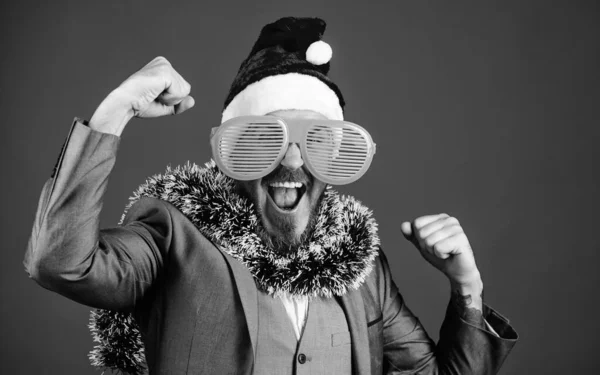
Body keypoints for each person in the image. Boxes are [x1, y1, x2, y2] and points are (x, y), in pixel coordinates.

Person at [25, 17, 518, 375]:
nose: (293, 162)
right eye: (264, 141)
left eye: (318, 144)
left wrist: (467, 289)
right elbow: (60, 263)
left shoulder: (363, 270)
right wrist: (113, 112)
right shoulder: (172, 234)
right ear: (228, 154)